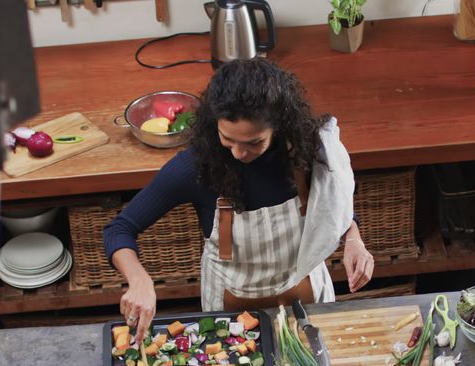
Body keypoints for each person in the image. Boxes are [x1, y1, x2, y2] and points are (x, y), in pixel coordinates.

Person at [104, 59, 374, 334]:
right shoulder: (196, 167)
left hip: (307, 301)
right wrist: (138, 280)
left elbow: (335, 206)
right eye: (227, 139)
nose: (238, 153)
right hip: (231, 316)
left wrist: (353, 239)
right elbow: (119, 229)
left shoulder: (308, 150)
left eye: (254, 142)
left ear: (280, 126)